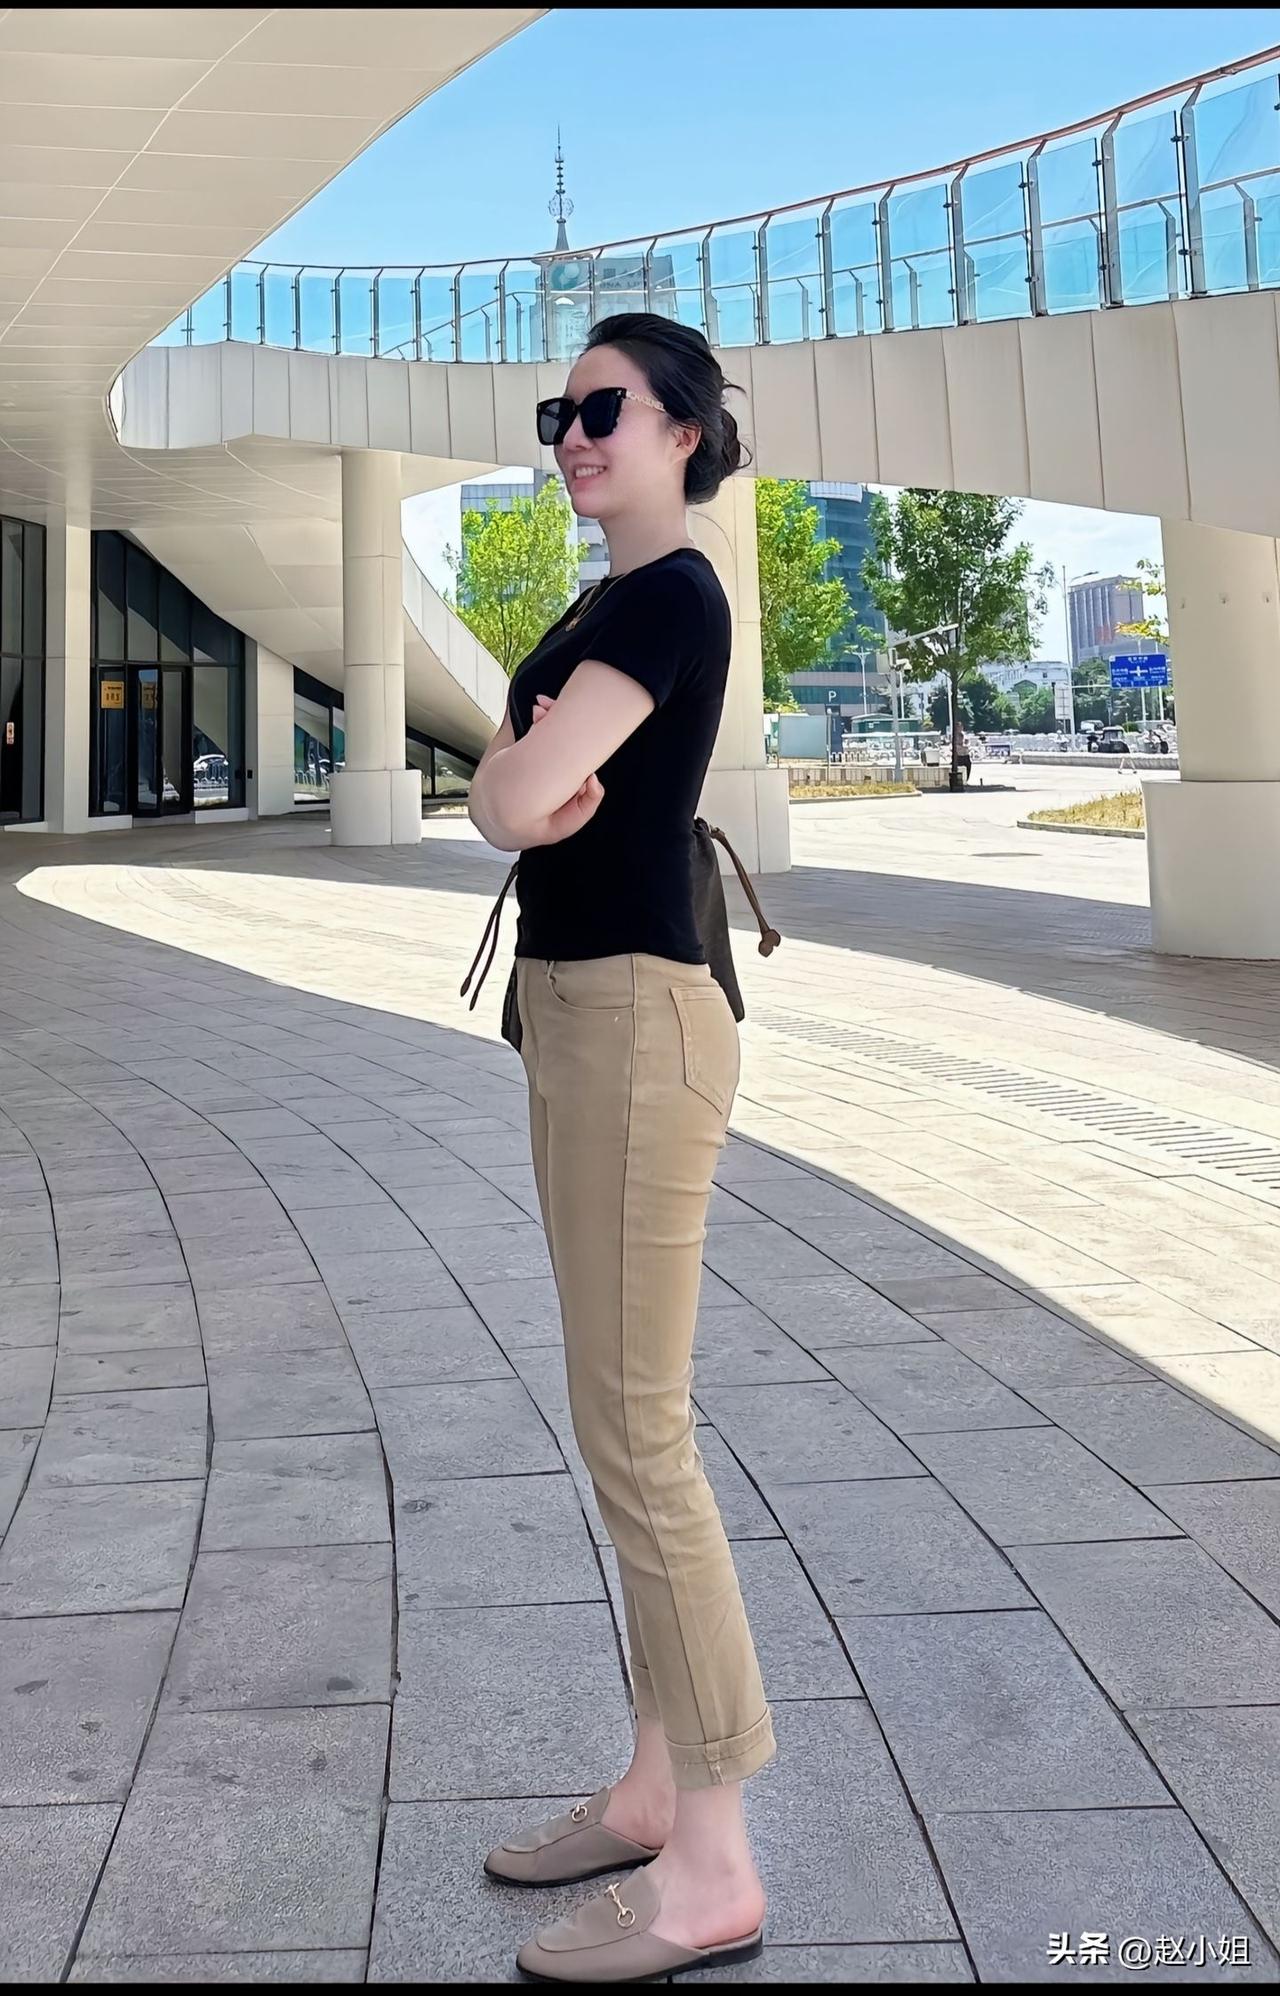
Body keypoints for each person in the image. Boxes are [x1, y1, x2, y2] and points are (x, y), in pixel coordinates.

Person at [466, 313, 772, 1984]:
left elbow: (516, 804)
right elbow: (508, 793)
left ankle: (714, 1866)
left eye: (605, 409)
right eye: (558, 413)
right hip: (576, 1011)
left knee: (643, 1435)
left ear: (683, 432)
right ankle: (654, 1791)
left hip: (638, 1022)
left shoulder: (668, 598)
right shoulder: (600, 605)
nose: (574, 435)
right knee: (615, 1421)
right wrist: (512, 779)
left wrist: (512, 777)